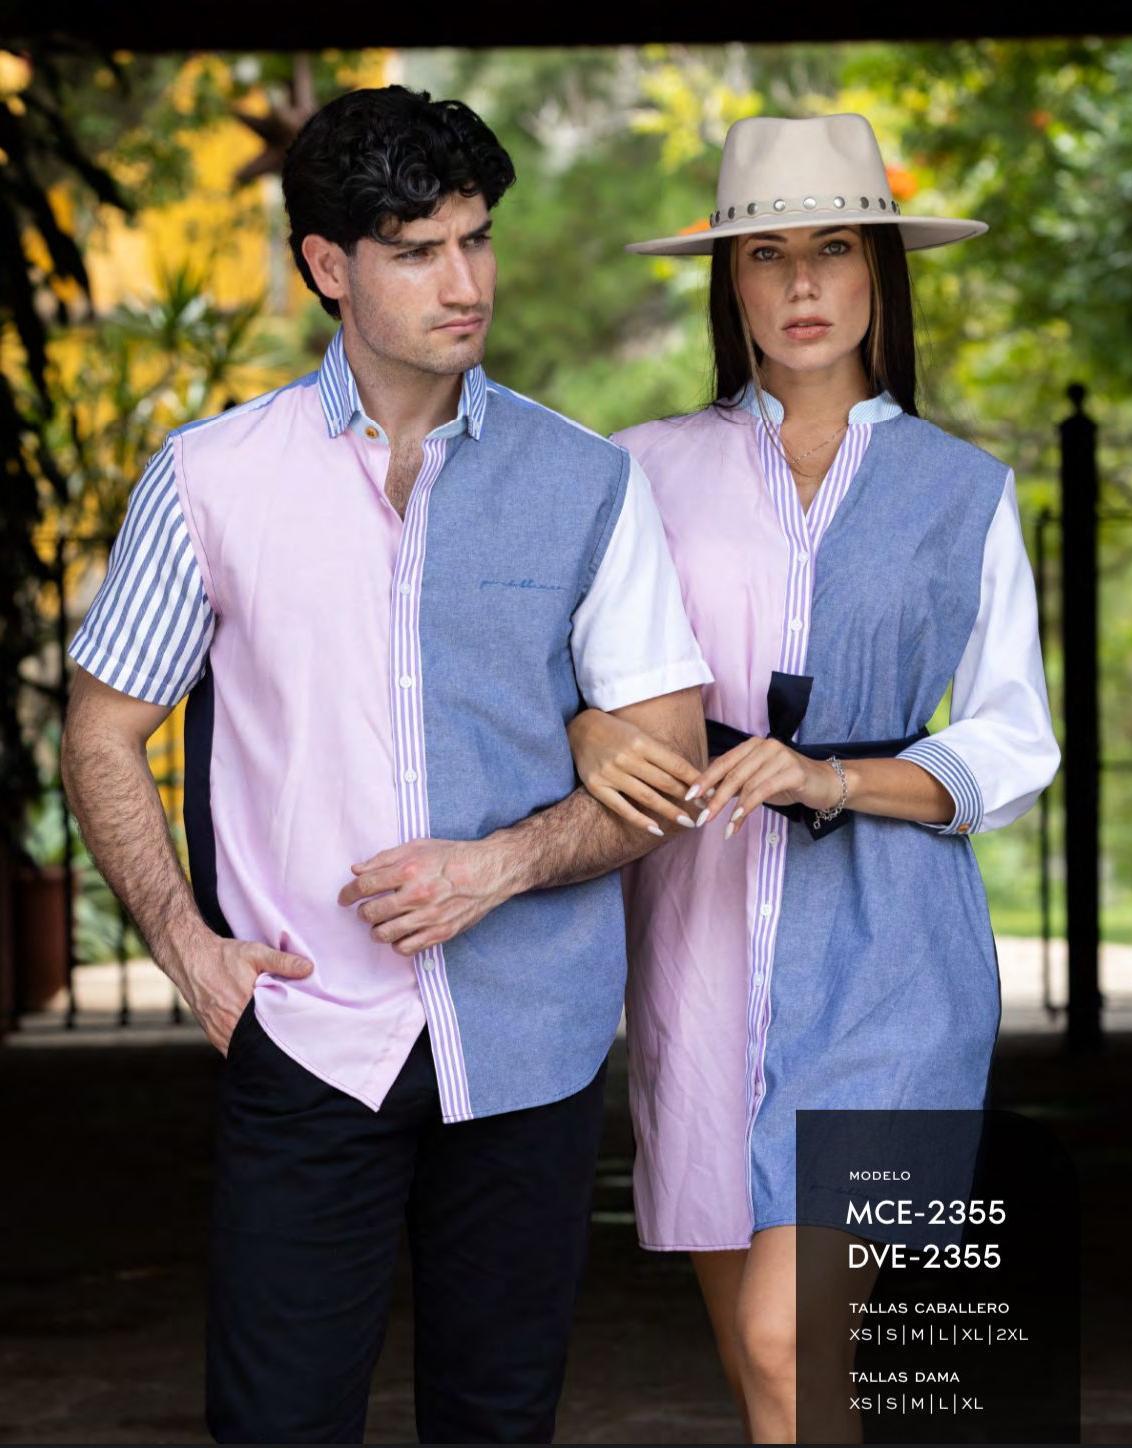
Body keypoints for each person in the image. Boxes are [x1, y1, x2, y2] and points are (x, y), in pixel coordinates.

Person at [59, 85, 714, 1445]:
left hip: (527, 1042)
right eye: (418, 251)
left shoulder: (587, 482)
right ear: (328, 266)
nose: (465, 283)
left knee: (496, 1422)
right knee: (277, 1422)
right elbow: (102, 729)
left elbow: (667, 762)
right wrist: (185, 947)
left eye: (477, 240)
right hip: (305, 1031)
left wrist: (501, 865)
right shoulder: (210, 480)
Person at [566, 112, 1061, 1444]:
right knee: (778, 1382)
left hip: (896, 959)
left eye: (833, 250)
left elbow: (1014, 735)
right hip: (700, 944)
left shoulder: (964, 488)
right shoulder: (640, 470)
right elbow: (564, 677)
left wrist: (833, 782)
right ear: (727, 283)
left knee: (788, 1341)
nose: (800, 285)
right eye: (765, 255)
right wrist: (589, 735)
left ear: (879, 270)